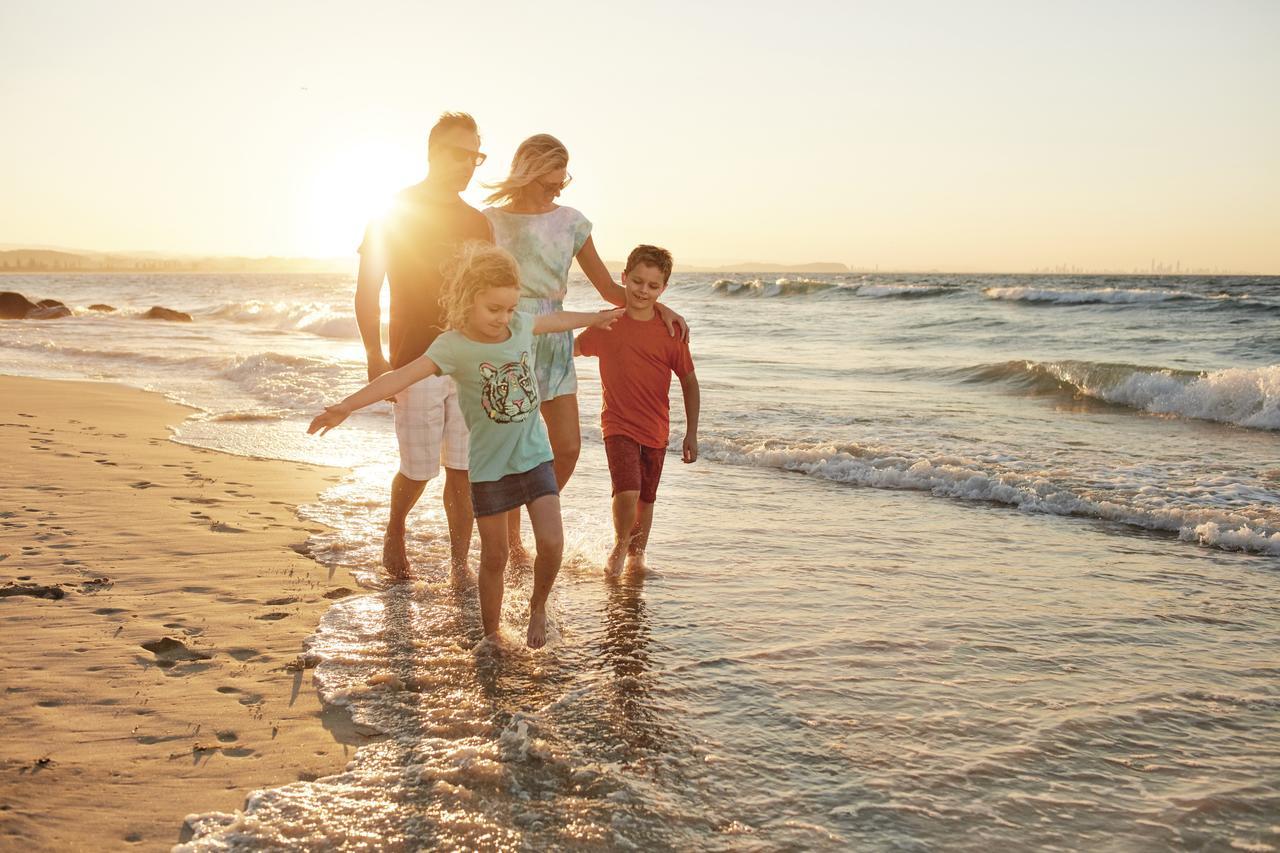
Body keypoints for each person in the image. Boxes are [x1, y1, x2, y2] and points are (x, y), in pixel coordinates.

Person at [310, 243, 624, 648]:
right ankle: (492, 635)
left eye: (510, 308)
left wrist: (597, 318)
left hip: (534, 456)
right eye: (494, 309)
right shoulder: (453, 347)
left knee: (551, 542)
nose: (504, 318)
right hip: (490, 468)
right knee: (494, 557)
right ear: (467, 299)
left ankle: (538, 606)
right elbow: (400, 377)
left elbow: (558, 319)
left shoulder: (521, 326)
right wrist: (345, 406)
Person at [481, 134, 687, 566]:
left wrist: (660, 306)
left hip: (555, 340)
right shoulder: (491, 222)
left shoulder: (571, 222)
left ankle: (530, 510)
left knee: (568, 447)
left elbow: (611, 288)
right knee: (513, 447)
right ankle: (515, 543)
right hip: (510, 336)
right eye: (552, 179)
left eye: (563, 179)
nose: (559, 187)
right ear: (531, 171)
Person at [354, 112, 492, 579]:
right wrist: (375, 354)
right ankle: (395, 530)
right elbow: (368, 288)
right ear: (433, 152)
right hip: (415, 359)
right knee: (417, 470)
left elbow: (490, 294)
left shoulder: (478, 223)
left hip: (470, 363)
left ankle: (459, 565)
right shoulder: (394, 210)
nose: (469, 164)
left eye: (476, 155)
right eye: (460, 153)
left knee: (463, 469)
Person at [575, 245, 700, 578]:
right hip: (617, 424)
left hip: (656, 429)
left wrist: (691, 432)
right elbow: (569, 349)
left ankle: (637, 557)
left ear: (663, 290)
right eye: (637, 282)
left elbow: (689, 382)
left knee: (647, 498)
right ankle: (619, 546)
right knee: (627, 489)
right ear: (624, 278)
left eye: (652, 286)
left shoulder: (672, 333)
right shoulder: (608, 324)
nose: (643, 291)